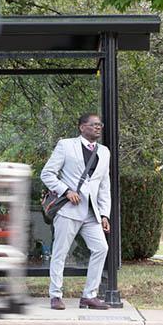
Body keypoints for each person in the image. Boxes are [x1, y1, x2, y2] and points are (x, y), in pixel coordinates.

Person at [41, 113, 111, 310]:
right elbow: (46, 174)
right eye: (94, 124)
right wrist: (66, 190)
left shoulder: (104, 152)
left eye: (100, 124)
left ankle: (89, 296)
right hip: (69, 210)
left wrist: (105, 213)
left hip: (92, 212)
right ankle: (55, 295)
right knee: (60, 253)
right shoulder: (66, 145)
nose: (98, 127)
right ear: (82, 127)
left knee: (101, 248)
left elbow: (104, 184)